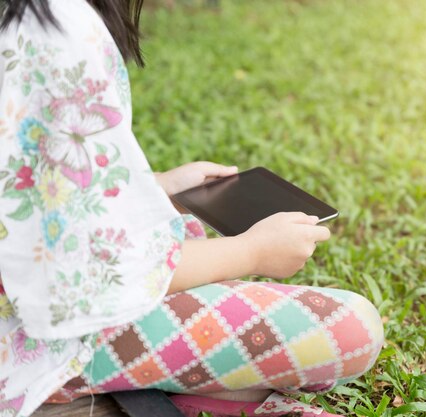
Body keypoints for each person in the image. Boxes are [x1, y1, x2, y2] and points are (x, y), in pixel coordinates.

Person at [0, 1, 384, 416]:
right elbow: (94, 276)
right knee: (352, 327)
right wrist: (251, 252)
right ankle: (87, 391)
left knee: (184, 235)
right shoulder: (55, 28)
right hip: (36, 340)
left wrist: (155, 188)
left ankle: (190, 395)